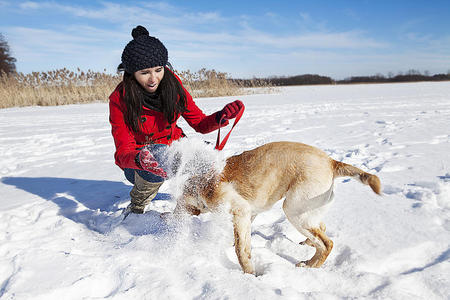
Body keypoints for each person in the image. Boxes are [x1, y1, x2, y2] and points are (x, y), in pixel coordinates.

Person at [109, 25, 244, 215]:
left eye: (158, 69)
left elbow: (200, 124)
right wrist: (139, 159)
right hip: (140, 164)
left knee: (207, 153)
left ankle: (197, 202)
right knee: (159, 153)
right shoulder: (119, 99)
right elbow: (122, 152)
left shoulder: (173, 86)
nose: (153, 78)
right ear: (132, 73)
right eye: (145, 73)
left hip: (175, 151)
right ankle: (138, 204)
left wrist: (222, 116)